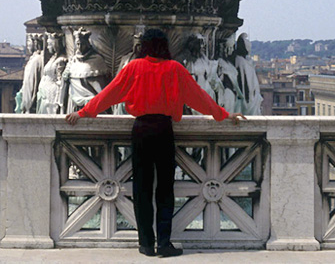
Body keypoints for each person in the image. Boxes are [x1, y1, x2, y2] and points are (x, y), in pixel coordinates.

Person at [65, 28, 245, 258]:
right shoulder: (175, 69)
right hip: (164, 130)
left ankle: (146, 243)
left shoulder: (134, 67)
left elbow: (108, 94)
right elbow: (200, 98)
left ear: (145, 46)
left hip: (141, 130)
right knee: (165, 190)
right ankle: (165, 243)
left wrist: (83, 112)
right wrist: (224, 114)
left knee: (142, 188)